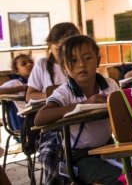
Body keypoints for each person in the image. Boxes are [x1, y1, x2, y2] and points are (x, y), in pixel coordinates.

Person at [35, 35, 122, 184]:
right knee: (120, 179)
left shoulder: (110, 85)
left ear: (98, 61)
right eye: (73, 60)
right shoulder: (65, 93)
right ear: (65, 68)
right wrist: (83, 105)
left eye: (87, 58)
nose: (81, 64)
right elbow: (40, 118)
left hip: (108, 147)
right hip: (78, 157)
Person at [26, 22, 80, 184]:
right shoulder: (42, 65)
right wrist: (55, 93)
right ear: (50, 46)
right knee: (51, 153)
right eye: (58, 48)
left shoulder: (80, 63)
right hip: (53, 124)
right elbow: (30, 95)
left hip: (79, 123)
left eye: (68, 47)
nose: (64, 52)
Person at [0, 54, 34, 128]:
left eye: (31, 62)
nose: (29, 64)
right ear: (17, 71)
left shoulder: (38, 81)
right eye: (23, 64)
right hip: (25, 121)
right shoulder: (16, 83)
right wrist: (21, 88)